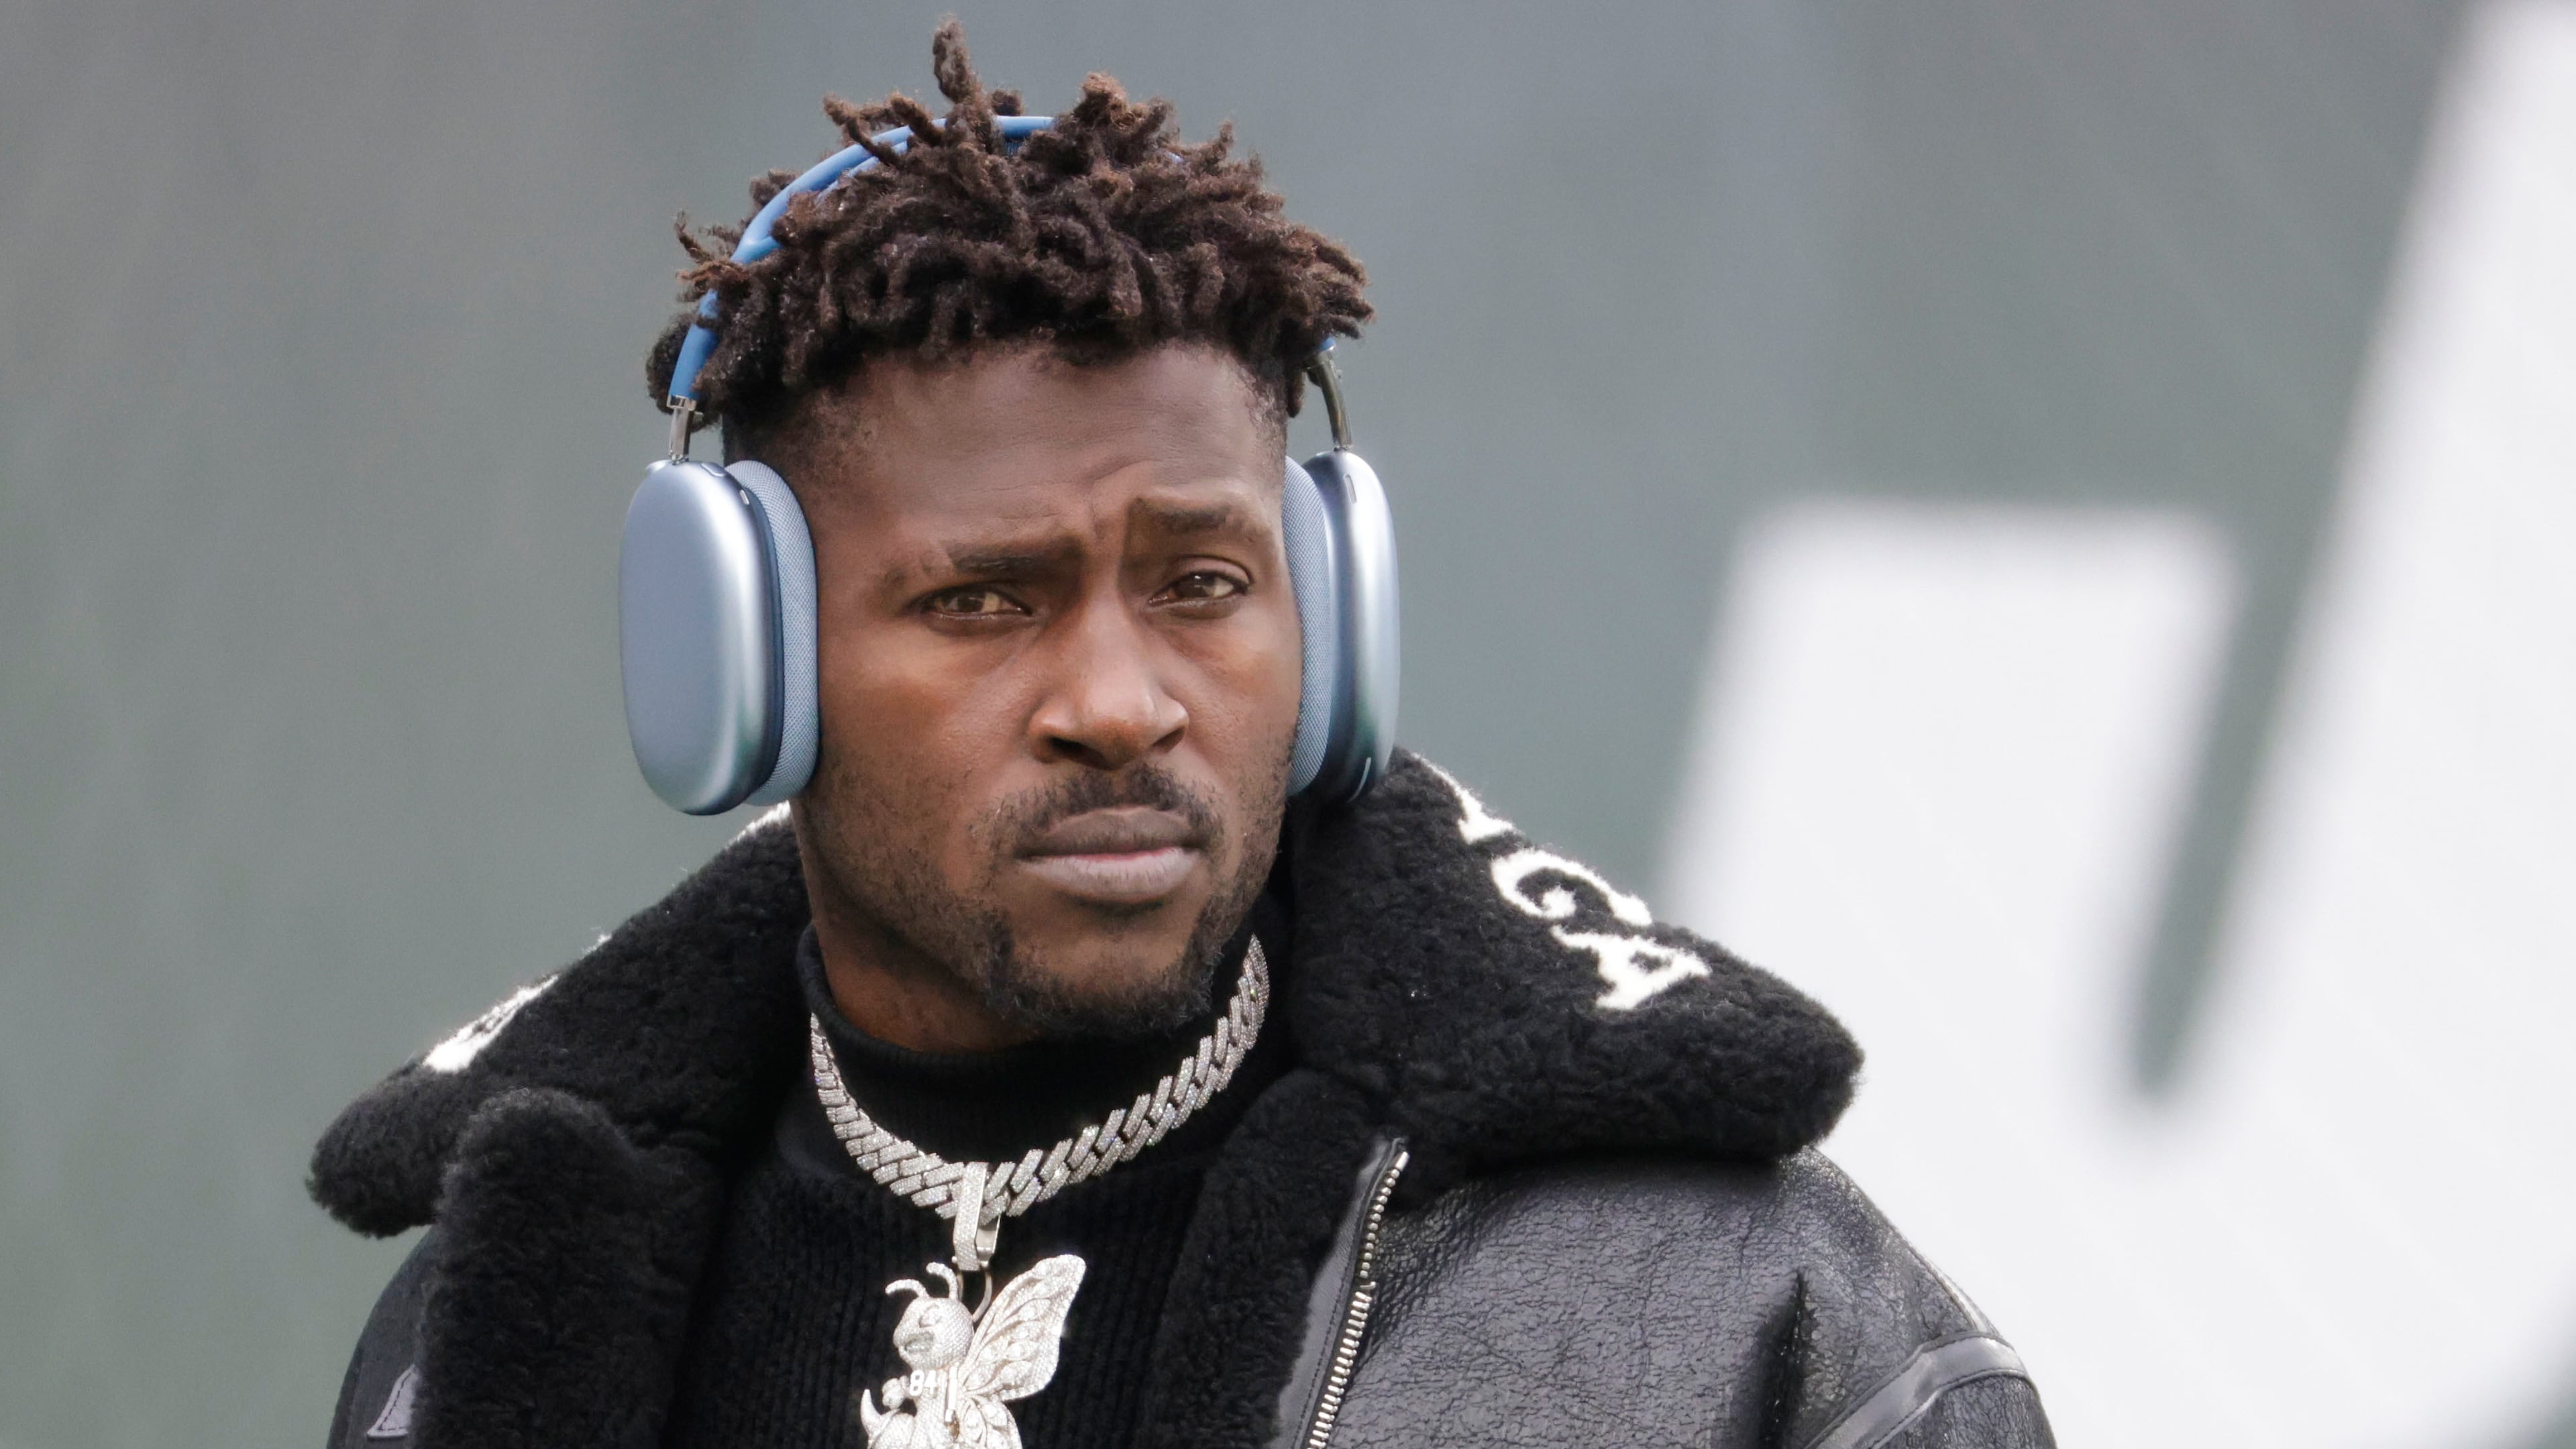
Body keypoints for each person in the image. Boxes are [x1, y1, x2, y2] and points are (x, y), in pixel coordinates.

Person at [311, 23, 2053, 1449]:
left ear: (1328, 614)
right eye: (983, 601)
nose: (1123, 702)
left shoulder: (1724, 1313)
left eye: (1204, 581)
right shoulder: (477, 1340)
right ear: (742, 662)